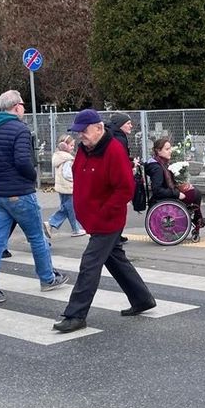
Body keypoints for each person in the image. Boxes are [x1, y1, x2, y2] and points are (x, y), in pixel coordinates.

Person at [52, 109, 155, 333]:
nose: (80, 136)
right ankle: (142, 299)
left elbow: (125, 189)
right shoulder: (84, 150)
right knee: (115, 258)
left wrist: (104, 213)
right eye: (78, 133)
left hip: (107, 220)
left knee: (89, 264)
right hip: (92, 219)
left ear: (98, 128)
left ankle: (75, 315)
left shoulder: (113, 150)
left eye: (84, 131)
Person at [0, 90, 68, 304]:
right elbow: (22, 161)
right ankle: (47, 278)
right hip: (20, 192)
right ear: (17, 106)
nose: (24, 110)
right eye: (23, 106)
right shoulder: (20, 129)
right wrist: (32, 176)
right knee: (36, 236)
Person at [145, 136, 205, 240]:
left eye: (170, 148)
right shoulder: (157, 168)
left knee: (194, 191)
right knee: (195, 194)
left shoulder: (160, 163)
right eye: (167, 149)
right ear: (158, 151)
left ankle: (198, 219)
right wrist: (177, 194)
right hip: (163, 198)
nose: (170, 151)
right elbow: (157, 190)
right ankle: (198, 220)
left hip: (167, 195)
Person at [48, 134, 85, 237]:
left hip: (61, 187)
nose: (73, 147)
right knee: (70, 208)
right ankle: (51, 223)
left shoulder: (58, 157)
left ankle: (75, 228)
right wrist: (77, 179)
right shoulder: (68, 159)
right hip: (68, 187)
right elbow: (68, 174)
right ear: (65, 146)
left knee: (68, 207)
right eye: (71, 145)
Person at [106, 111, 133, 245]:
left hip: (111, 178)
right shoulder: (119, 139)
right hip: (116, 180)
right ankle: (115, 236)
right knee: (120, 208)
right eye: (128, 123)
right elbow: (120, 160)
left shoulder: (114, 136)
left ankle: (116, 235)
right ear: (120, 125)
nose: (131, 126)